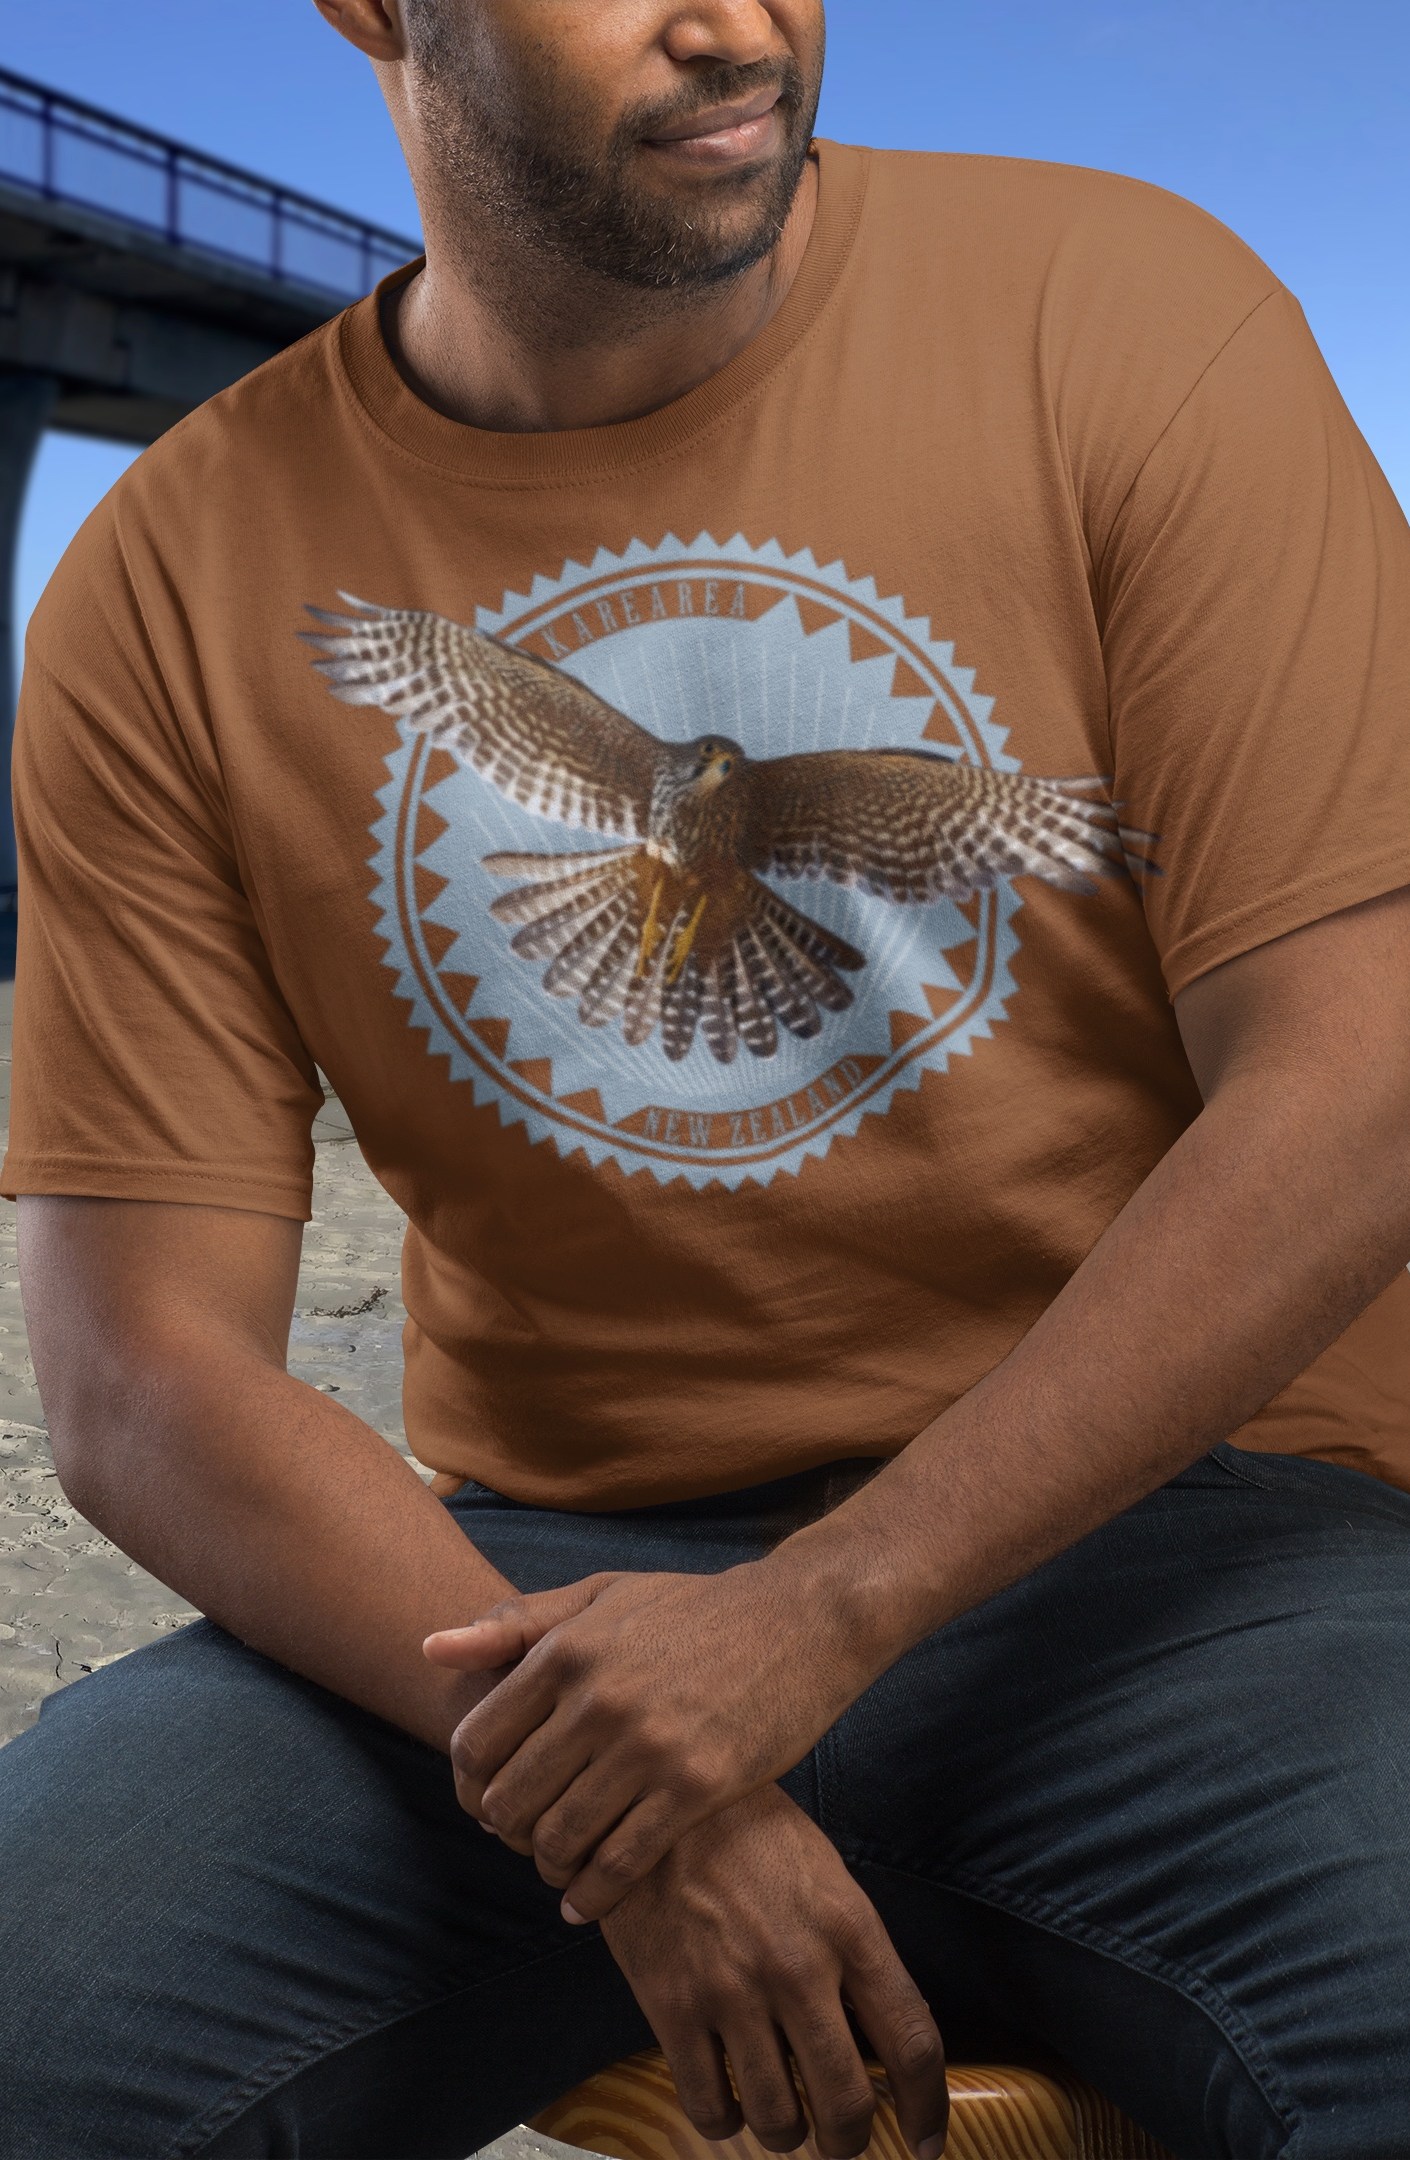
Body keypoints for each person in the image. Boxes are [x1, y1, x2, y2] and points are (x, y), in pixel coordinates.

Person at [2, 0, 1408, 2153]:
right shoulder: (171, 580)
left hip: (1210, 1538)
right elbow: (138, 1372)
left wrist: (814, 1620)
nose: (738, 22)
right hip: (534, 1608)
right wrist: (627, 1798)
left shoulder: (1133, 317)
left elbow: (1360, 1084)